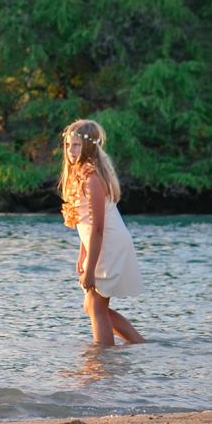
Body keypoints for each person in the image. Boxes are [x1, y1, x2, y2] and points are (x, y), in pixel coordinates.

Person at [59, 119, 146, 346]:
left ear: (89, 147)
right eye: (68, 145)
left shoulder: (92, 178)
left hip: (109, 243)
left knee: (96, 306)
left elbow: (98, 228)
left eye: (76, 145)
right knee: (91, 306)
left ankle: (103, 358)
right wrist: (83, 252)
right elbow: (85, 222)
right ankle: (139, 344)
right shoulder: (80, 175)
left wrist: (90, 270)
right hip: (99, 241)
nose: (71, 150)